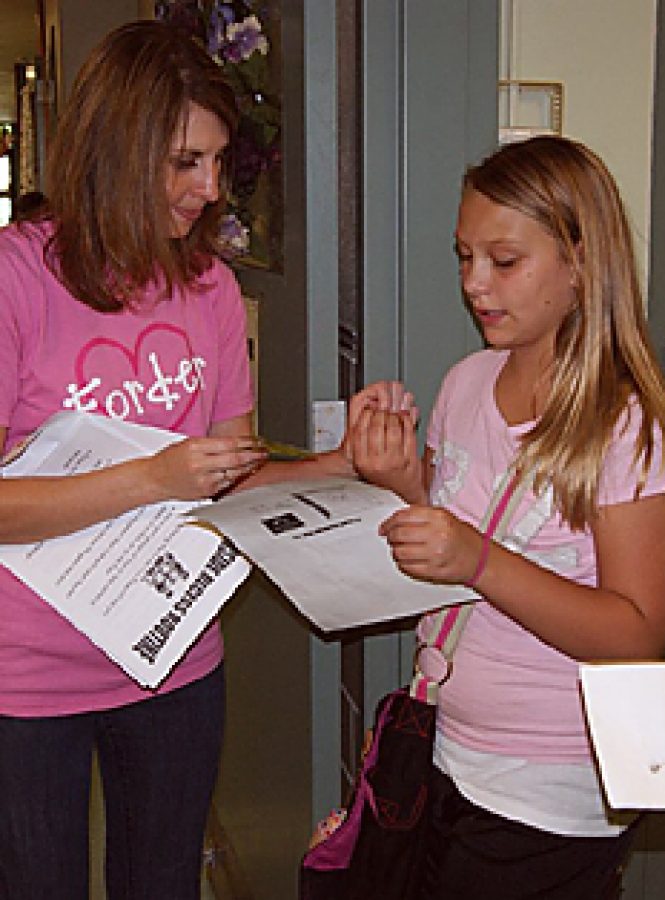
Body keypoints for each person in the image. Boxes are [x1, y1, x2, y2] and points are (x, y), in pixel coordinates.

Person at [0, 20, 398, 900]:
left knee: (163, 883)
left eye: (218, 164)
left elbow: (233, 474)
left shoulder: (209, 287)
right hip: (24, 679)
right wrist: (151, 477)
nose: (208, 190)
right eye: (186, 161)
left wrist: (347, 463)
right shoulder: (16, 277)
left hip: (173, 658)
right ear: (117, 145)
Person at [349, 135, 665, 899]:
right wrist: (403, 483)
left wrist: (475, 559)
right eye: (464, 255)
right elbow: (446, 557)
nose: (475, 283)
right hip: (445, 748)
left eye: (504, 262)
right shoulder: (468, 381)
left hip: (551, 790)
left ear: (580, 263)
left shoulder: (633, 428)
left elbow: (635, 633)